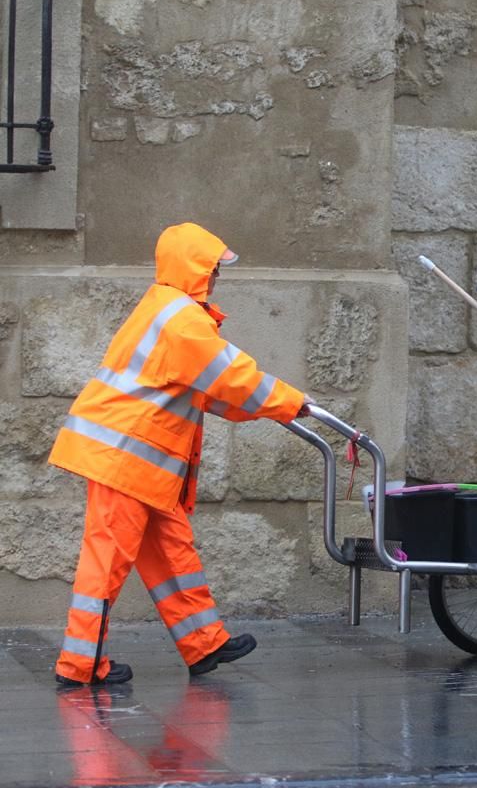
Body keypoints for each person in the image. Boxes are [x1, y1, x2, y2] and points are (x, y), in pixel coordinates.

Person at [49, 222, 313, 687]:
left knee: (172, 554)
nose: (216, 278)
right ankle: (80, 665)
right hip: (123, 461)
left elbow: (210, 393)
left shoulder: (165, 310)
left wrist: (272, 411)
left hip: (135, 463)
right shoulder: (183, 320)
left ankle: (204, 643)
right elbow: (232, 378)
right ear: (194, 268)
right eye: (212, 269)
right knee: (107, 562)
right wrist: (290, 403)